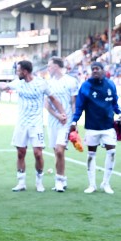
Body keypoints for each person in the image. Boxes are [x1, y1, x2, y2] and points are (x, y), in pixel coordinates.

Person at [0, 61, 62, 193]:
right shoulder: (18, 83)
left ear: (25, 71)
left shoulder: (41, 83)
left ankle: (39, 181)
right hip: (21, 123)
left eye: (18, 71)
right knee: (20, 153)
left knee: (38, 153)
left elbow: (53, 98)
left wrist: (61, 113)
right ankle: (21, 182)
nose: (17, 73)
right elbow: (4, 86)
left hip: (36, 124)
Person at [70, 61, 121, 194]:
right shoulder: (86, 86)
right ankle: (92, 184)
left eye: (97, 69)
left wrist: (120, 114)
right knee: (91, 154)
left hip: (108, 125)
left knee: (112, 152)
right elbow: (79, 106)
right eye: (92, 69)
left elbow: (115, 103)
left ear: (103, 70)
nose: (94, 71)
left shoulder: (110, 84)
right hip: (92, 126)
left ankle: (106, 183)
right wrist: (74, 121)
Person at [44, 57, 79, 192]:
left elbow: (74, 102)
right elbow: (46, 104)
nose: (48, 68)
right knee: (57, 152)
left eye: (50, 66)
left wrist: (74, 121)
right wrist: (57, 115)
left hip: (66, 122)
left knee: (59, 150)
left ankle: (58, 181)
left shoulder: (71, 81)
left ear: (57, 66)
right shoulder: (48, 83)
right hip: (53, 122)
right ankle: (62, 179)